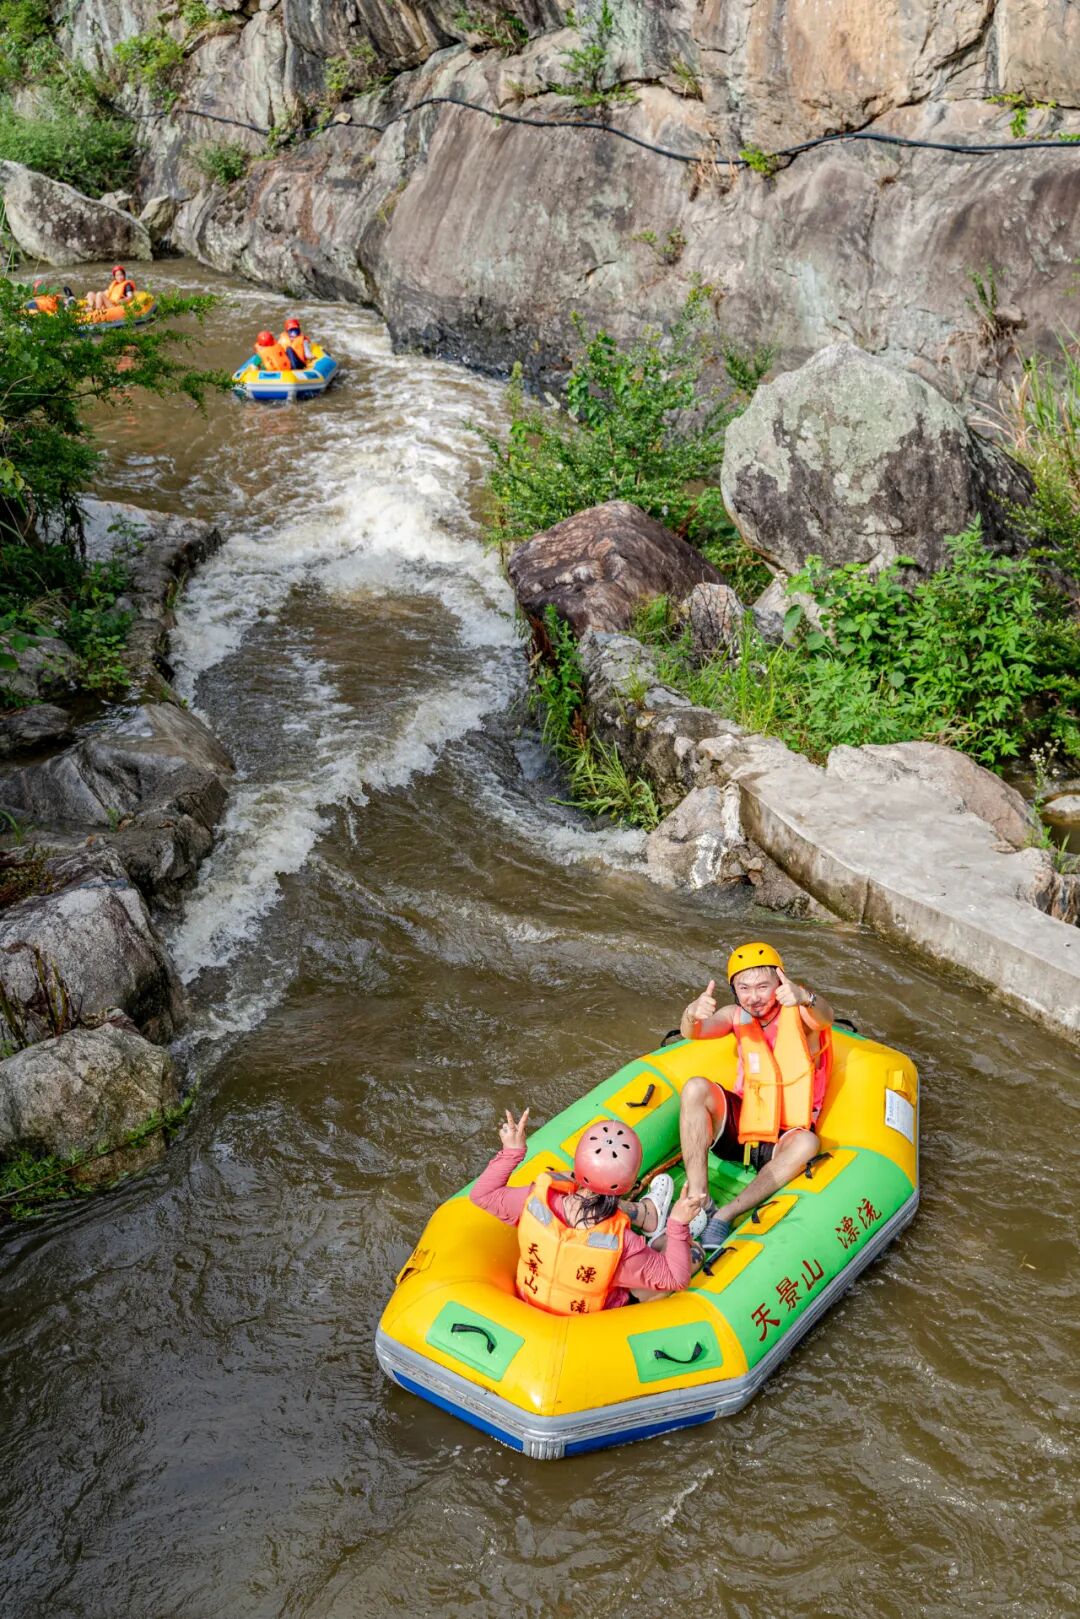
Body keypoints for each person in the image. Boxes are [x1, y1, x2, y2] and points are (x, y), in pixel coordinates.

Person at [677, 941, 835, 1253]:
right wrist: (691, 1013)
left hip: (785, 1133)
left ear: (780, 983)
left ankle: (725, 1214)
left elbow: (826, 1017)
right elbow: (692, 1032)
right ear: (734, 990)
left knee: (807, 1143)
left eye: (763, 986)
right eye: (744, 987)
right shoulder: (735, 1014)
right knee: (694, 1087)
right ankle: (700, 1199)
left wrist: (806, 997)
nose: (754, 997)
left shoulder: (801, 1014)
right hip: (745, 1123)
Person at [469, 1109, 705, 1313]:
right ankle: (659, 1229)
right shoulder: (624, 1245)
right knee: (693, 1252)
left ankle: (650, 1217)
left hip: (530, 1303)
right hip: (589, 1323)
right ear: (630, 1185)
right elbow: (676, 1277)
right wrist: (678, 1224)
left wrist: (512, 1151)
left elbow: (482, 1194)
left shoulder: (531, 1200)